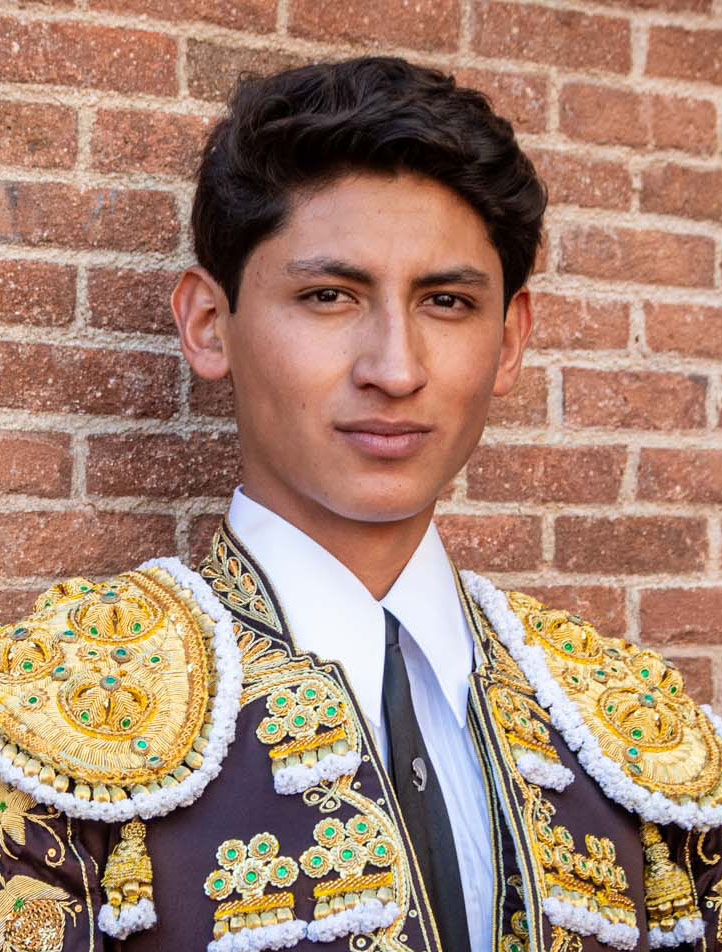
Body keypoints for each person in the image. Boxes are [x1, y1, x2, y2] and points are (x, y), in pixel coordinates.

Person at [0, 56, 720, 952]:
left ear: (509, 340)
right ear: (209, 326)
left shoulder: (635, 732)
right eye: (329, 296)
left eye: (447, 301)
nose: (396, 369)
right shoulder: (43, 724)